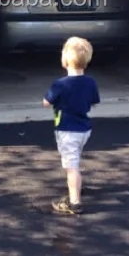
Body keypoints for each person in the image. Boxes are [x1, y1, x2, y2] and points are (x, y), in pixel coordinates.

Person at [42, 36, 100, 215]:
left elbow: (46, 102)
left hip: (67, 130)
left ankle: (74, 202)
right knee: (75, 158)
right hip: (84, 129)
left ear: (65, 61)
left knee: (71, 167)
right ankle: (77, 184)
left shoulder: (60, 84)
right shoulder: (90, 82)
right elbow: (94, 102)